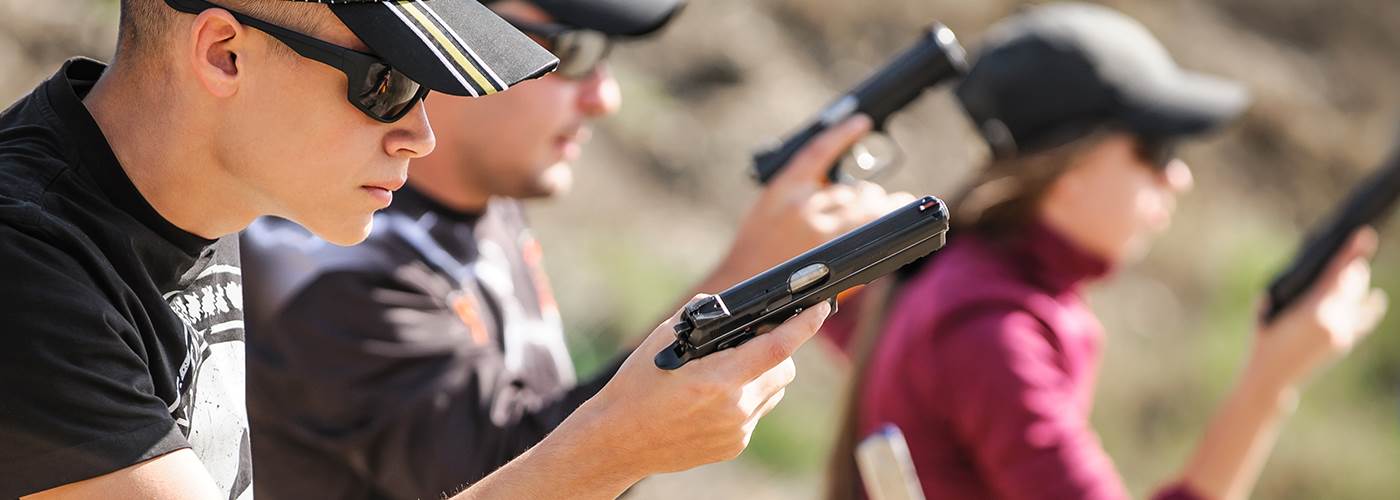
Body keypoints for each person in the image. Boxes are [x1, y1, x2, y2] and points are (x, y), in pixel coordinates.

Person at [0, 0, 835, 498]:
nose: (420, 135)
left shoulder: (179, 201)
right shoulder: (26, 268)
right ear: (224, 53)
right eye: (387, 83)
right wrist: (609, 450)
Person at [240, 0, 914, 497]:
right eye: (571, 53)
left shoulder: (476, 202)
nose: (605, 97)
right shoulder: (323, 264)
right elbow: (507, 475)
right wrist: (742, 277)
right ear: (448, 33)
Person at [825, 4, 1390, 500]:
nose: (1180, 177)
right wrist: (1269, 383)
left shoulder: (959, 275)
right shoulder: (993, 330)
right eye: (1156, 149)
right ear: (1067, 171)